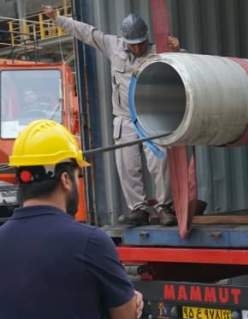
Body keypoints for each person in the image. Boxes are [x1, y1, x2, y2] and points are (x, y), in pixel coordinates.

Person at [0, 120, 143, 319]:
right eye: (77, 175)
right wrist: (134, 300)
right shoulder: (90, 242)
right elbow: (124, 313)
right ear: (65, 179)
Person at [42, 5, 179, 226]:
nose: (137, 48)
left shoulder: (159, 52)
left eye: (141, 43)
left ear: (147, 39)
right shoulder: (113, 46)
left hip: (151, 117)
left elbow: (186, 67)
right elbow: (86, 32)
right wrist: (57, 18)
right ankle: (139, 208)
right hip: (125, 118)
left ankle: (165, 206)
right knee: (127, 164)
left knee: (160, 161)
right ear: (125, 40)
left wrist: (178, 49)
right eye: (133, 44)